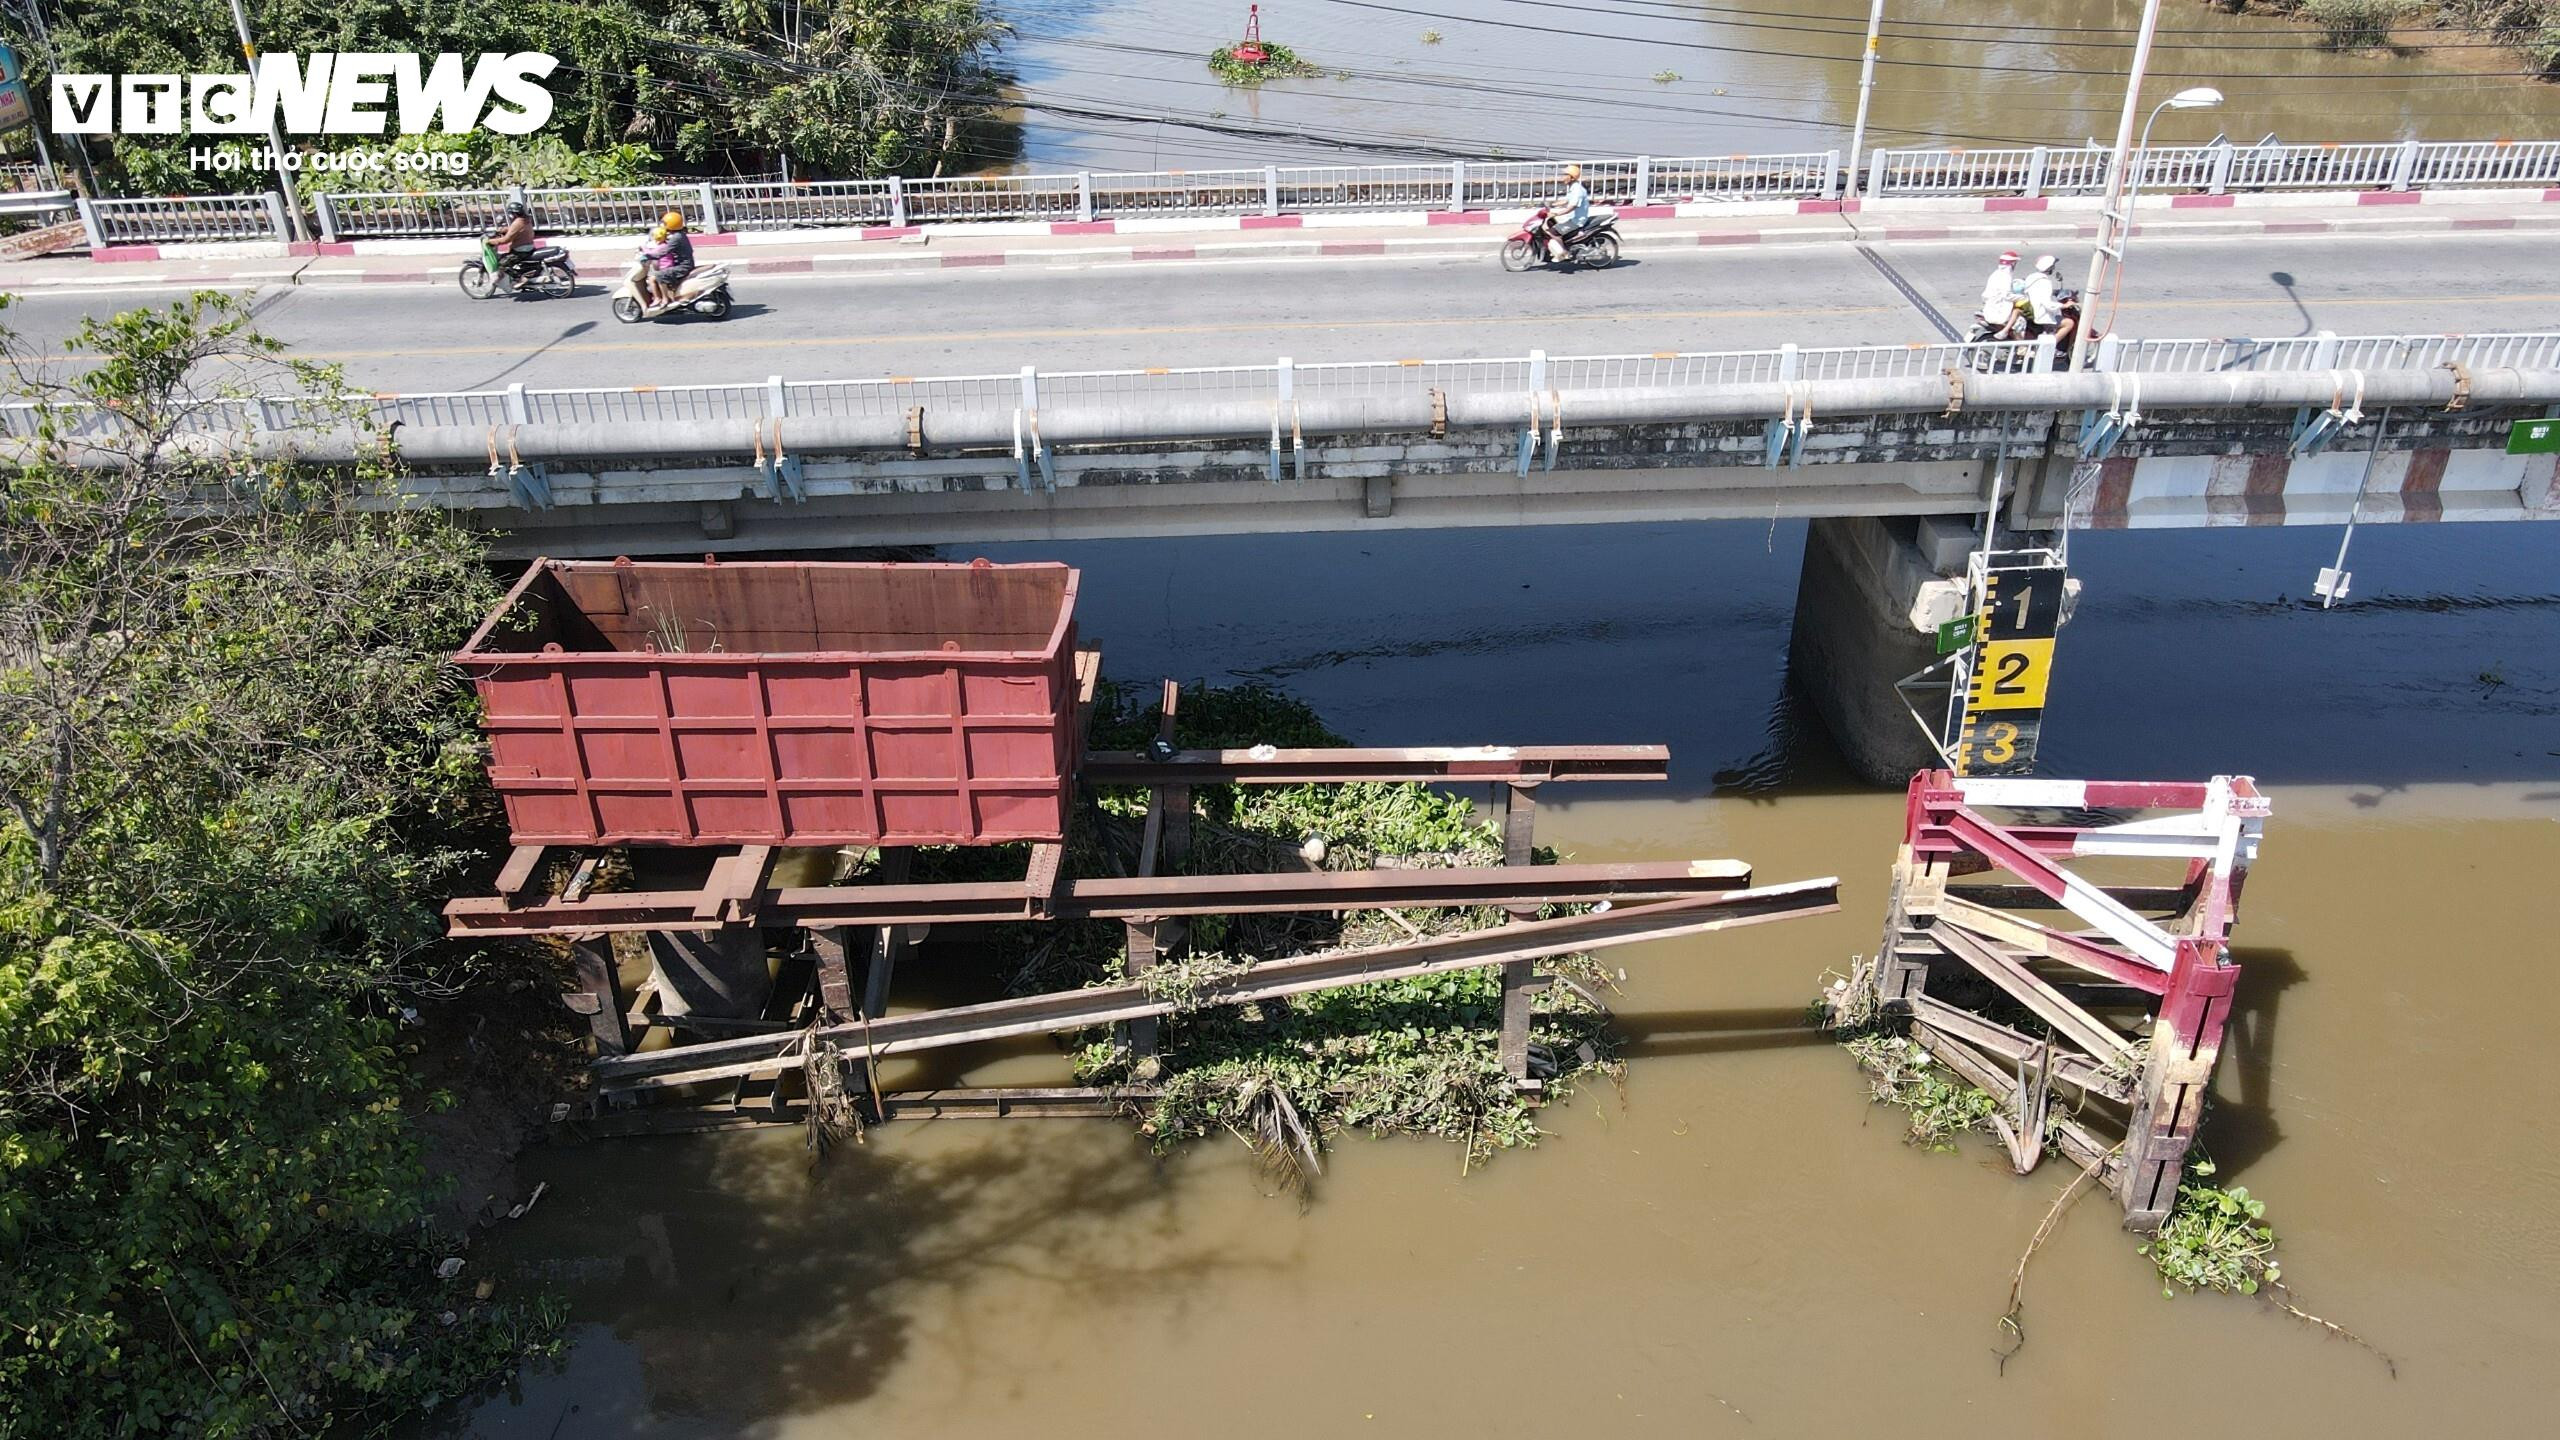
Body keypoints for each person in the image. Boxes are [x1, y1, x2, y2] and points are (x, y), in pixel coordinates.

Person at [647, 209, 697, 312]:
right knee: (658, 275)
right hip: (682, 263)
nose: (663, 225)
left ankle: (665, 299)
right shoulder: (679, 235)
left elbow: (664, 251)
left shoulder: (677, 238)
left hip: (683, 266)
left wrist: (649, 256)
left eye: (665, 223)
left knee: (660, 275)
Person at [1548, 163, 1591, 262]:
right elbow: (1566, 201)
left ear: (1571, 178)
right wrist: (1552, 204)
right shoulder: (1572, 187)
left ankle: (1564, 253)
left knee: (1553, 232)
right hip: (1571, 218)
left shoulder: (1577, 190)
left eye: (1565, 175)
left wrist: (1557, 214)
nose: (1563, 177)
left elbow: (1572, 207)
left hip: (1577, 220)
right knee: (1553, 224)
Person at [1979, 250, 2021, 332]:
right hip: (2000, 310)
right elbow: (2007, 296)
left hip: (1990, 306)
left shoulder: (1996, 274)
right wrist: (2022, 297)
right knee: (2019, 314)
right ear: (2012, 264)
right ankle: (2006, 332)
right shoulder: (2006, 276)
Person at [489, 199, 536, 273]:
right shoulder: (525, 220)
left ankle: (515, 278)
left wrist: (490, 241)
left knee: (501, 264)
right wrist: (503, 230)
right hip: (529, 248)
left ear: (513, 214)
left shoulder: (517, 223)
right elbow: (517, 229)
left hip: (520, 251)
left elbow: (506, 240)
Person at [2021, 254, 2063, 336]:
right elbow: (2048, 304)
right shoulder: (2045, 282)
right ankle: (2052, 342)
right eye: (2053, 266)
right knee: (2069, 323)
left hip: (2032, 309)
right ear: (2049, 267)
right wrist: (2063, 305)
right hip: (2042, 315)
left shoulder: (2031, 277)